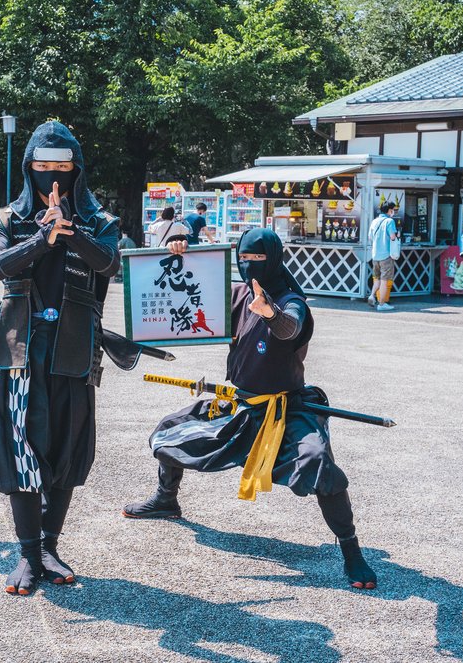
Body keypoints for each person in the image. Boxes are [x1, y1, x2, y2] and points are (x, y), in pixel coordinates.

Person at [122, 228, 378, 590]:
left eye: (258, 260)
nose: (249, 267)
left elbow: (289, 329)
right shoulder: (235, 293)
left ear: (274, 260)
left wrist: (271, 314)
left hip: (284, 411)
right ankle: (166, 499)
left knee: (319, 463)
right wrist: (181, 252)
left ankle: (352, 551)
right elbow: (185, 288)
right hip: (237, 406)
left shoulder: (292, 301)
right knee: (172, 431)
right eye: (244, 259)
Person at [0, 120, 120, 595]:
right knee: (22, 449)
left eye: (62, 167)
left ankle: (49, 545)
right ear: (28, 169)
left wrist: (70, 231)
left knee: (66, 447)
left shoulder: (99, 222)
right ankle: (25, 552)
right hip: (21, 351)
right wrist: (42, 240)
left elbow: (109, 262)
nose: (53, 177)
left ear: (77, 170)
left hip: (75, 350)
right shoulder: (7, 219)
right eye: (43, 167)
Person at [367, 202, 398, 311]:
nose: (393, 212)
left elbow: (370, 237)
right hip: (386, 255)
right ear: (389, 210)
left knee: (377, 279)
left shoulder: (374, 221)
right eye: (393, 210)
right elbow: (393, 237)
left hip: (375, 255)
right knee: (385, 280)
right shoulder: (390, 221)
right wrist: (397, 235)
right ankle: (381, 304)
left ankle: (371, 295)